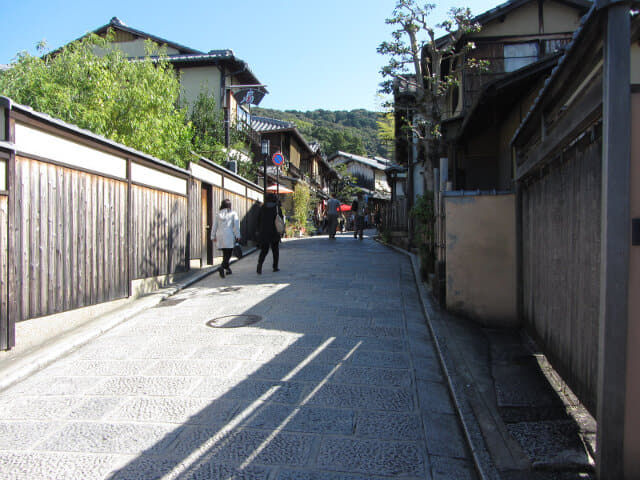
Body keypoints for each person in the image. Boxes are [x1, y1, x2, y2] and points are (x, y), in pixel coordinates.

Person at [211, 198, 240, 278]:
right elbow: (236, 225)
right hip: (229, 235)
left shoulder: (218, 214)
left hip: (220, 235)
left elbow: (214, 226)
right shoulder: (233, 213)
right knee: (229, 253)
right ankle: (222, 267)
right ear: (229, 205)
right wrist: (238, 235)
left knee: (225, 253)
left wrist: (213, 236)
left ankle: (227, 270)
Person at [257, 193, 283, 274]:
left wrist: (258, 231)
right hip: (274, 231)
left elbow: (258, 220)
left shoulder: (262, 208)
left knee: (264, 250)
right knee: (275, 250)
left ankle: (259, 265)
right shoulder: (277, 208)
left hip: (264, 232)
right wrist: (281, 232)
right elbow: (281, 220)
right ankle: (275, 267)